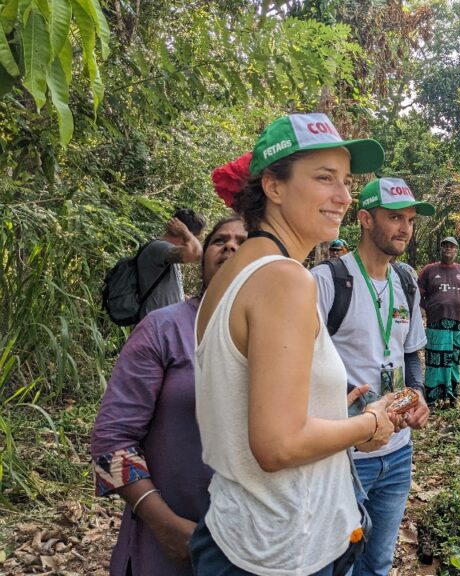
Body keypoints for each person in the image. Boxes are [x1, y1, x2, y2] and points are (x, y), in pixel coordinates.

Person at [192, 113, 399, 576]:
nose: (344, 196)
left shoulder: (230, 276)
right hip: (283, 549)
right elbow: (277, 445)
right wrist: (369, 423)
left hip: (236, 532)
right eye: (324, 178)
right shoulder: (284, 279)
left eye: (346, 181)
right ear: (274, 186)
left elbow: (245, 403)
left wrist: (331, 411)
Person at [91, 216, 247, 576]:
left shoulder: (281, 335)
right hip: (170, 543)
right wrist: (164, 525)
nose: (230, 245)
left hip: (256, 544)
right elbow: (110, 440)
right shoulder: (163, 328)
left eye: (243, 241)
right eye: (219, 240)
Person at [311, 176, 433, 576]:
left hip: (397, 453)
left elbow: (410, 351)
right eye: (395, 217)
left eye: (410, 220)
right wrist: (356, 403)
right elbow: (302, 366)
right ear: (365, 219)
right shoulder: (326, 281)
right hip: (345, 454)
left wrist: (417, 394)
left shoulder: (406, 282)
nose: (405, 228)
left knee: (378, 562)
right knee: (337, 563)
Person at [417, 236, 460, 407]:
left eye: (451, 246)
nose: (448, 249)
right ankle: (433, 397)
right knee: (436, 360)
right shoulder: (429, 270)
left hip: (458, 325)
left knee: (454, 361)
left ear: (456, 250)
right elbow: (417, 296)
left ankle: (451, 396)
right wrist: (429, 307)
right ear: (441, 249)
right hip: (436, 324)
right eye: (445, 246)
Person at [137, 208, 206, 320]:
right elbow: (196, 253)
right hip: (155, 325)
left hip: (164, 324)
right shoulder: (158, 248)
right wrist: (186, 232)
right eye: (195, 238)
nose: (195, 241)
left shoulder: (169, 254)